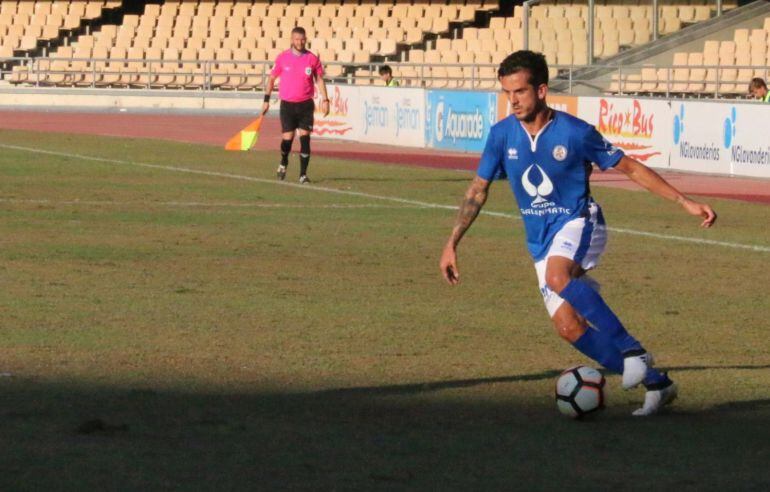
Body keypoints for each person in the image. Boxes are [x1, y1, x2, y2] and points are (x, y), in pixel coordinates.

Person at [439, 51, 717, 416]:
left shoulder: (575, 132)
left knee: (558, 275)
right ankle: (657, 384)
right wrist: (451, 243)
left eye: (520, 91)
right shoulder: (500, 135)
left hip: (581, 221)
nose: (514, 100)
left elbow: (629, 167)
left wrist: (684, 202)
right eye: (508, 93)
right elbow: (477, 190)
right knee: (568, 327)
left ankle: (632, 350)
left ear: (541, 89)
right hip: (540, 240)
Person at [262, 26, 330, 184]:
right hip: (287, 105)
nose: (300, 42)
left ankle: (303, 174)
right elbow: (271, 79)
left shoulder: (312, 58)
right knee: (288, 140)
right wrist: (266, 100)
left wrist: (325, 100)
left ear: (306, 39)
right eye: (297, 39)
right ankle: (284, 160)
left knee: (305, 139)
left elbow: (319, 80)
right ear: (292, 40)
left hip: (306, 104)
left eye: (302, 39)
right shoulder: (282, 58)